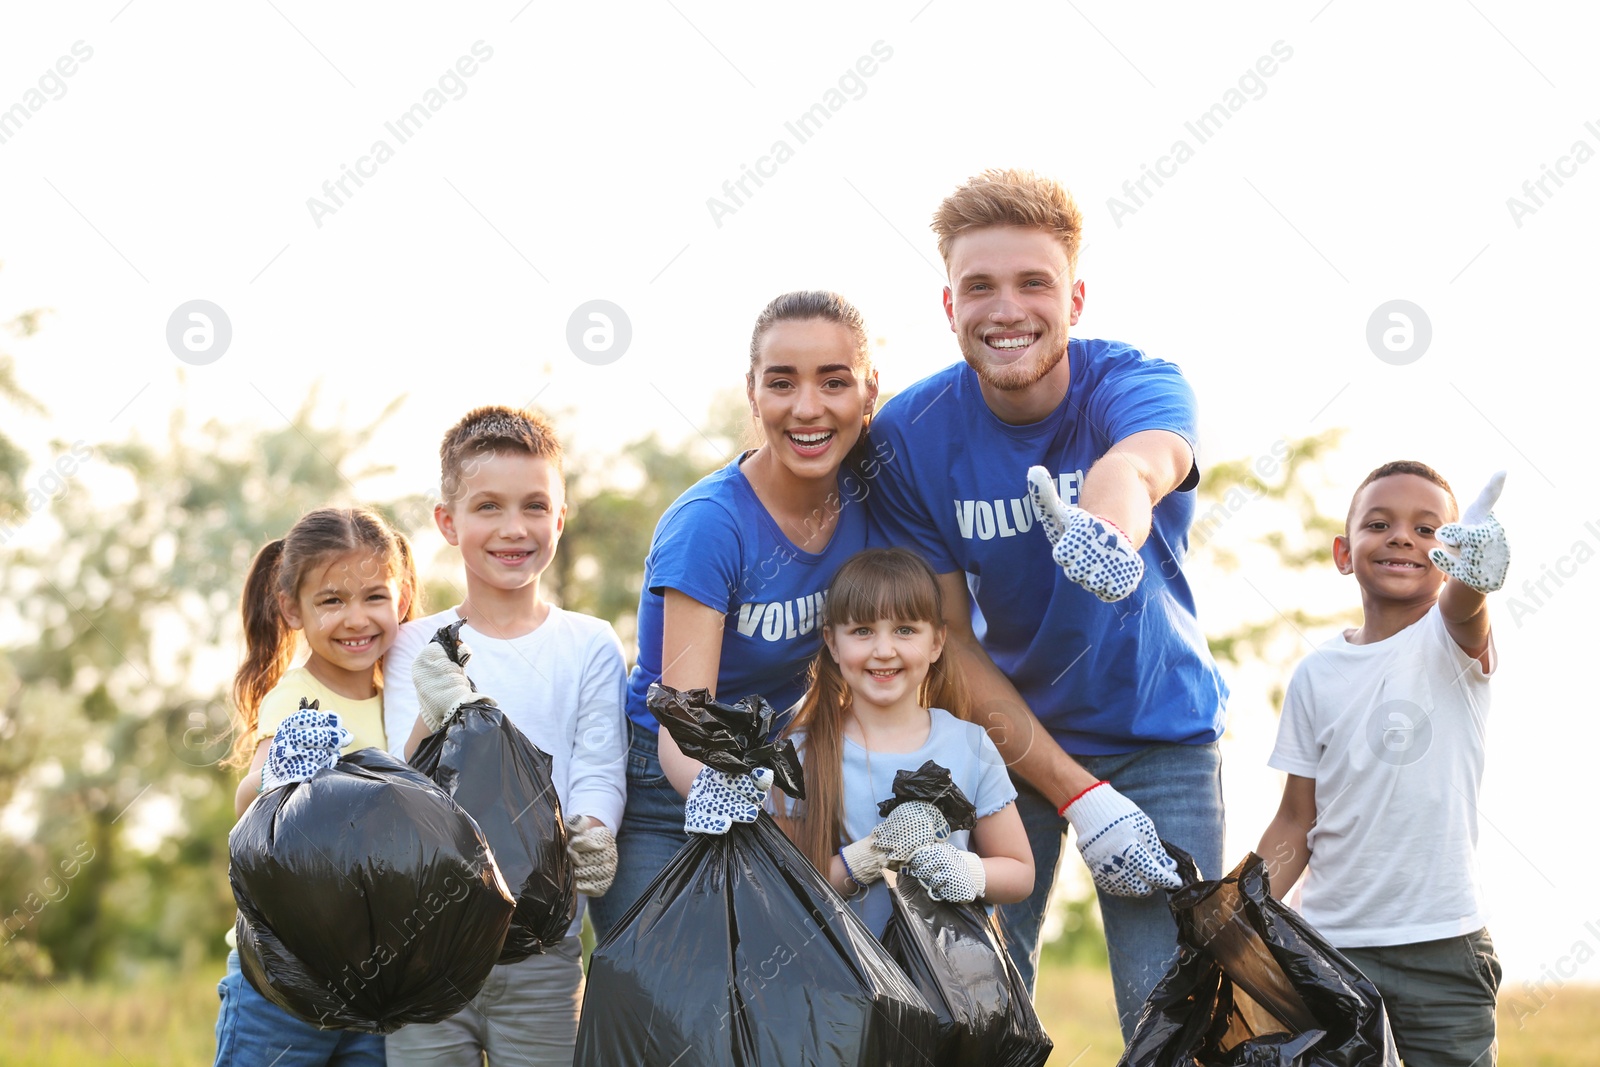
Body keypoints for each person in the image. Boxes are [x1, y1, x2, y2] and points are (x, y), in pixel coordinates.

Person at [865, 168, 1228, 1035]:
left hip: (1162, 738)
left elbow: (1139, 462)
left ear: (1075, 297)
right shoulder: (910, 437)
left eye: (1034, 283)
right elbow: (945, 639)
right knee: (971, 1008)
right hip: (1009, 733)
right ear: (949, 306)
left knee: (1172, 1020)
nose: (1007, 309)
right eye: (979, 286)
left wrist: (1107, 531)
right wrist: (1080, 796)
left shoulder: (1137, 381)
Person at [588, 291, 882, 941]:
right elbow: (684, 724)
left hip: (786, 772)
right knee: (662, 1003)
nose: (807, 407)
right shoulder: (709, 527)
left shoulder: (872, 495)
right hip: (668, 783)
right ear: (752, 392)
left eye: (834, 381)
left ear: (870, 391)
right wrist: (741, 798)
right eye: (782, 382)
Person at [380, 406, 627, 1067]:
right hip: (427, 948)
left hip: (542, 949)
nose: (514, 528)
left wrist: (596, 826)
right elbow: (399, 786)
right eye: (488, 506)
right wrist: (432, 711)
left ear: (560, 517)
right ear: (448, 522)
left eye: (535, 505)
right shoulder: (415, 645)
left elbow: (600, 764)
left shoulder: (590, 643)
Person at [1257, 462, 1508, 1067]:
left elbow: (1467, 610)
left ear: (1452, 555)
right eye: (1380, 524)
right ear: (1345, 553)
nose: (1402, 537)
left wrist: (1472, 579)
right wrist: (1239, 907)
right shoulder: (1316, 675)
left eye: (1429, 530)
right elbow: (1296, 821)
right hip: (1331, 953)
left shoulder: (1450, 640)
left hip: (1446, 952)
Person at [215, 506, 421, 1067]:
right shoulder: (295, 697)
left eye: (374, 596)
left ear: (401, 601)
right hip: (282, 981)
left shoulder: (403, 703)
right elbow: (248, 800)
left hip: (375, 984)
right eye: (332, 600)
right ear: (292, 608)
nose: (356, 618)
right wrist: (283, 765)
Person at [759, 547, 1032, 936]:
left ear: (936, 642)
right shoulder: (800, 752)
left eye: (905, 630)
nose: (883, 650)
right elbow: (785, 887)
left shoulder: (971, 745)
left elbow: (1019, 871)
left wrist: (965, 870)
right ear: (832, 643)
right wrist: (867, 857)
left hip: (949, 984)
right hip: (843, 984)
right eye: (862, 631)